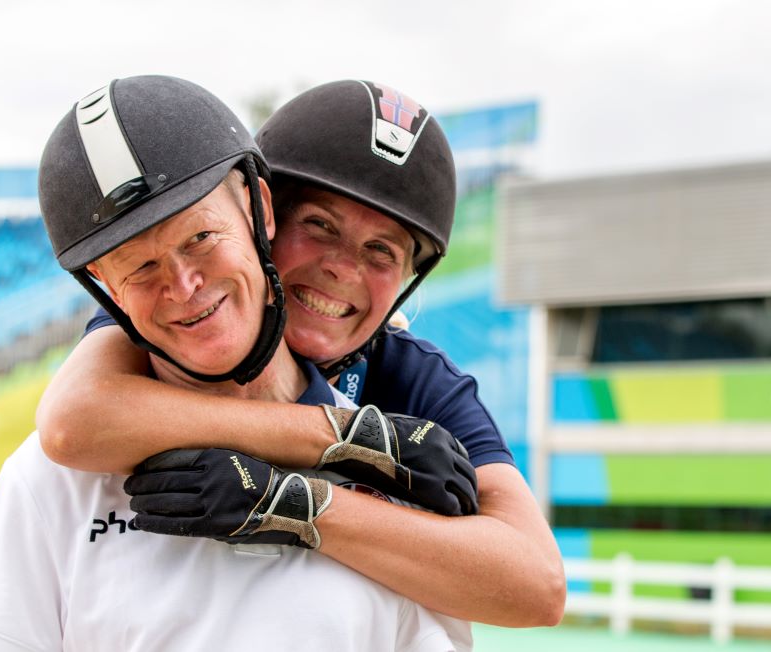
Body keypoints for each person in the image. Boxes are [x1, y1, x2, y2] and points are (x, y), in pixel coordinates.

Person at [0, 75, 473, 651]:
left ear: (259, 209)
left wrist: (301, 500)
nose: (184, 285)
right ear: (106, 288)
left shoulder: (399, 486)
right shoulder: (47, 483)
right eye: (139, 266)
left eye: (200, 236)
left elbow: (533, 586)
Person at [36, 80, 565, 626]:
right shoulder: (191, 315)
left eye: (381, 251)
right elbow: (72, 422)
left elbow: (537, 586)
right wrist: (348, 437)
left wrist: (294, 502)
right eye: (319, 225)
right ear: (263, 217)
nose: (342, 268)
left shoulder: (413, 375)